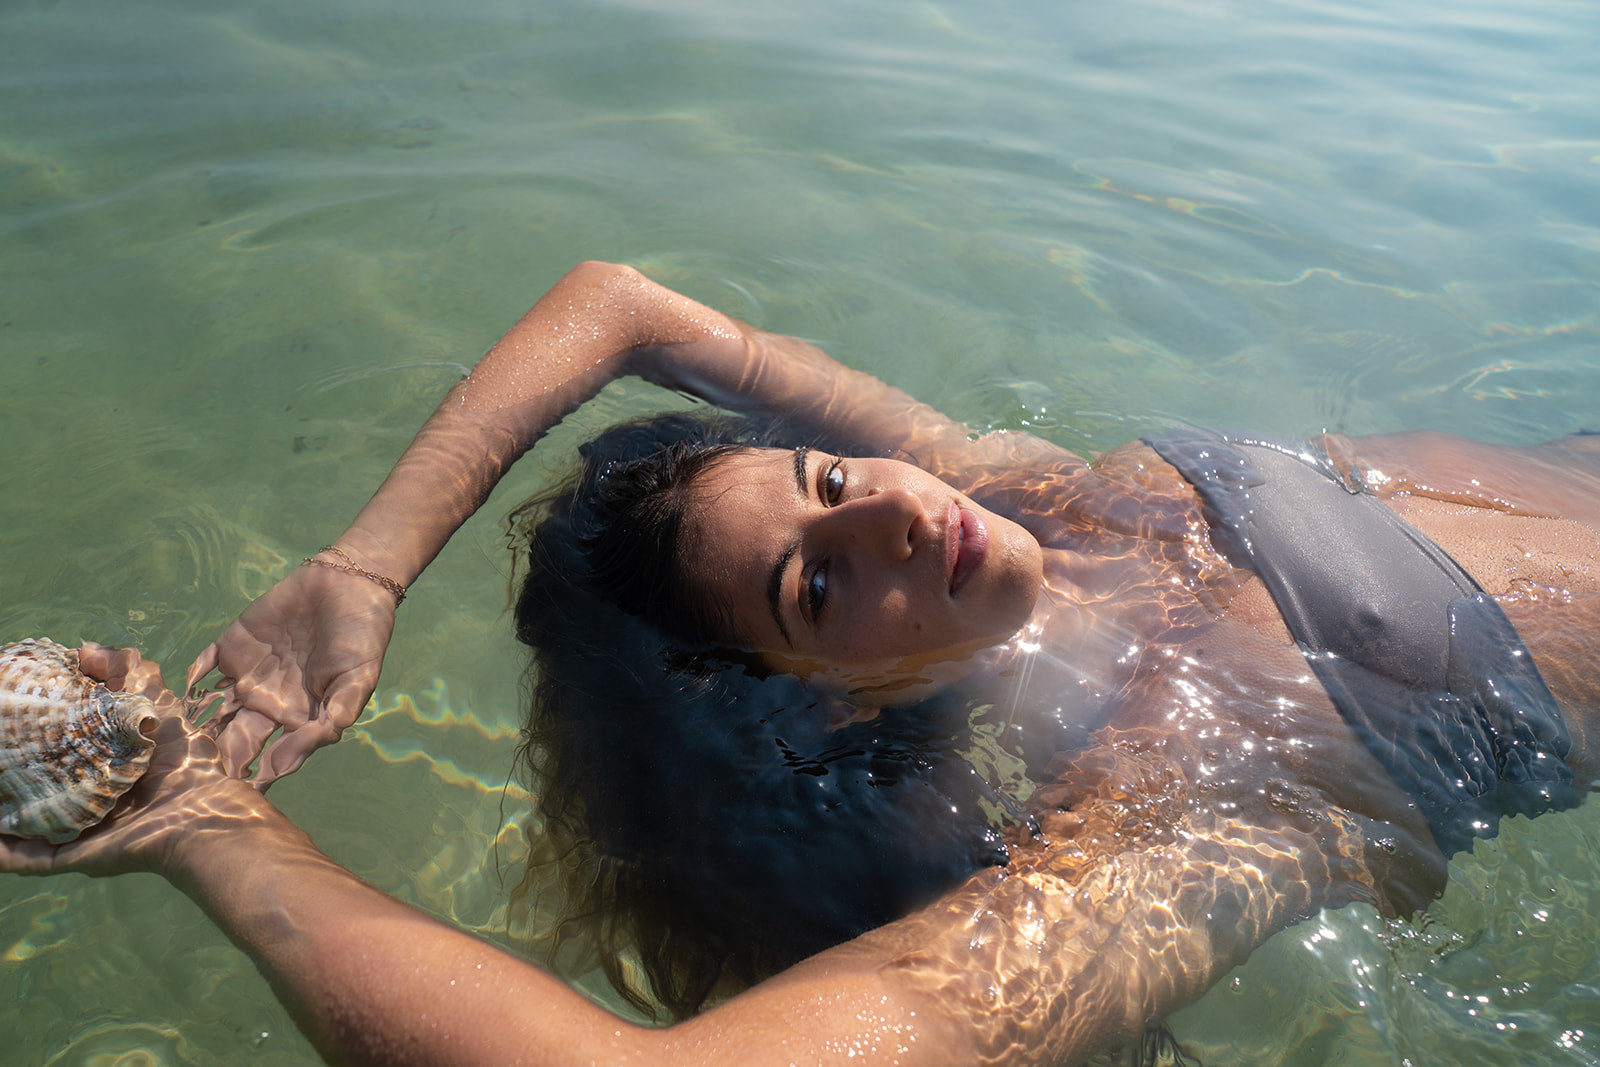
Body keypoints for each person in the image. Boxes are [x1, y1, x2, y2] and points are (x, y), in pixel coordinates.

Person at [6, 261, 1600, 1065]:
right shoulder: (1172, 817)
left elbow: (622, 308)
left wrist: (366, 564)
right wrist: (209, 827)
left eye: (832, 481)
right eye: (820, 587)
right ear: (831, 696)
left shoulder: (1028, 489)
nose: (893, 514)